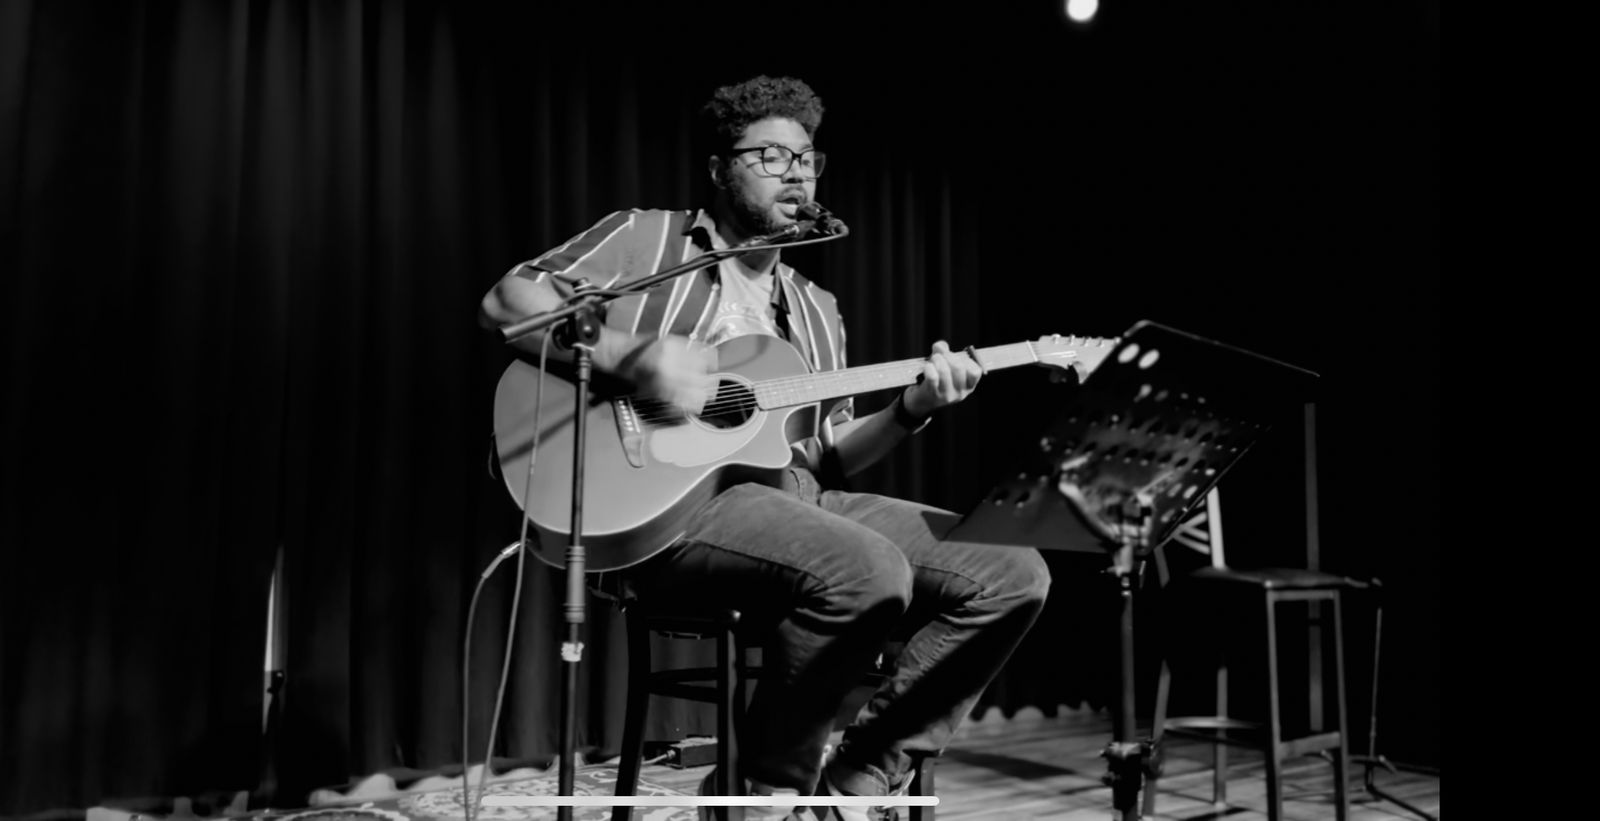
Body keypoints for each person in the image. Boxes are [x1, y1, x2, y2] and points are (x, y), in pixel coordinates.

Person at [479, 75, 1051, 821]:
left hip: (791, 501)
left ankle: (858, 778)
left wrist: (911, 410)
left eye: (807, 159)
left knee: (1011, 570)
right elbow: (508, 301)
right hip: (667, 510)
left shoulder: (815, 309)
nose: (796, 174)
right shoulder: (649, 239)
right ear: (720, 169)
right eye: (771, 157)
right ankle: (761, 792)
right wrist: (636, 357)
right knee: (865, 565)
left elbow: (825, 457)